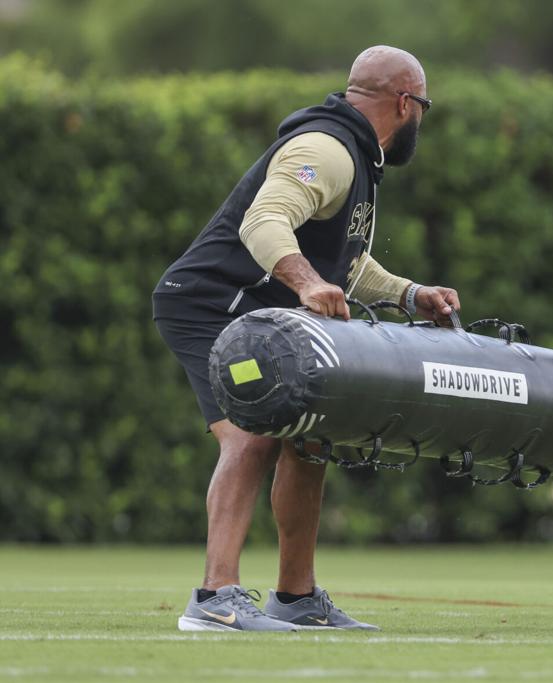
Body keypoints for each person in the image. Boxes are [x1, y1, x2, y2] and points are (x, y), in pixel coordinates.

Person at [153, 46, 460, 632]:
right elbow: (264, 221)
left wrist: (408, 293)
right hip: (208, 303)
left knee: (309, 441)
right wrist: (307, 281)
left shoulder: (357, 157)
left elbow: (346, 265)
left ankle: (296, 598)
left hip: (252, 309)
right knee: (250, 435)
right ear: (405, 103)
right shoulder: (327, 149)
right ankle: (215, 598)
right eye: (424, 107)